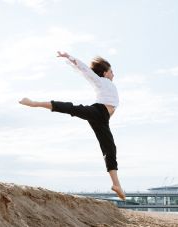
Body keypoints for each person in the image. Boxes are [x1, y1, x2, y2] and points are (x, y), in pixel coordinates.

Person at [19, 51, 125, 200]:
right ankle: (34, 103)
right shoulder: (102, 81)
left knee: (110, 148)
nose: (114, 74)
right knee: (71, 108)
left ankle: (116, 185)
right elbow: (86, 71)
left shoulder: (108, 85)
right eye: (112, 72)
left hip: (103, 119)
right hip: (98, 112)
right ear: (105, 73)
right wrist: (70, 57)